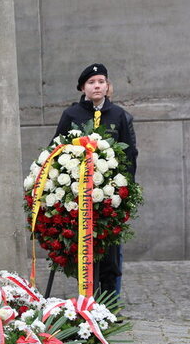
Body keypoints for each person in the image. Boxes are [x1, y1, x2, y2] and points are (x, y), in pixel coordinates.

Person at [54, 63, 138, 298]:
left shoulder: (119, 115)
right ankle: (86, 298)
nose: (97, 86)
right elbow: (57, 149)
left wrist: (126, 189)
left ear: (107, 86)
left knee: (110, 251)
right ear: (83, 87)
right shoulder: (71, 115)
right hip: (79, 196)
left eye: (101, 81)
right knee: (85, 250)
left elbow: (130, 154)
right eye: (91, 82)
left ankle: (110, 301)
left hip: (109, 197)